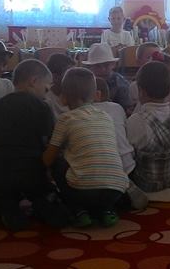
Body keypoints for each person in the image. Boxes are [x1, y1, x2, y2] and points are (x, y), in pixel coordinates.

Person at [0, 59, 71, 231]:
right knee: (57, 211)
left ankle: (7, 207)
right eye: (46, 89)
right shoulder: (42, 107)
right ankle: (45, 205)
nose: (46, 95)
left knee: (5, 195)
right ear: (34, 81)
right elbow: (51, 144)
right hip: (30, 172)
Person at [43, 68, 130, 228]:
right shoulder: (106, 117)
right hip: (116, 189)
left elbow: (48, 158)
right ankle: (106, 210)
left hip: (83, 191)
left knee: (59, 163)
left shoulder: (65, 119)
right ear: (97, 95)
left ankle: (79, 211)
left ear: (63, 98)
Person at [127, 61, 170, 202]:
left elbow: (129, 152)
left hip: (146, 181)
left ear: (141, 91)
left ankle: (149, 194)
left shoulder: (137, 120)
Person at [93, 77, 136, 177]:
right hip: (128, 164)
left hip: (105, 172)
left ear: (97, 95)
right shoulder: (117, 107)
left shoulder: (84, 112)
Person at [83, 42, 134, 112]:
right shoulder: (84, 82)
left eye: (106, 65)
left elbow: (127, 110)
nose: (102, 69)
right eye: (97, 66)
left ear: (113, 64)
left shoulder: (120, 84)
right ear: (90, 67)